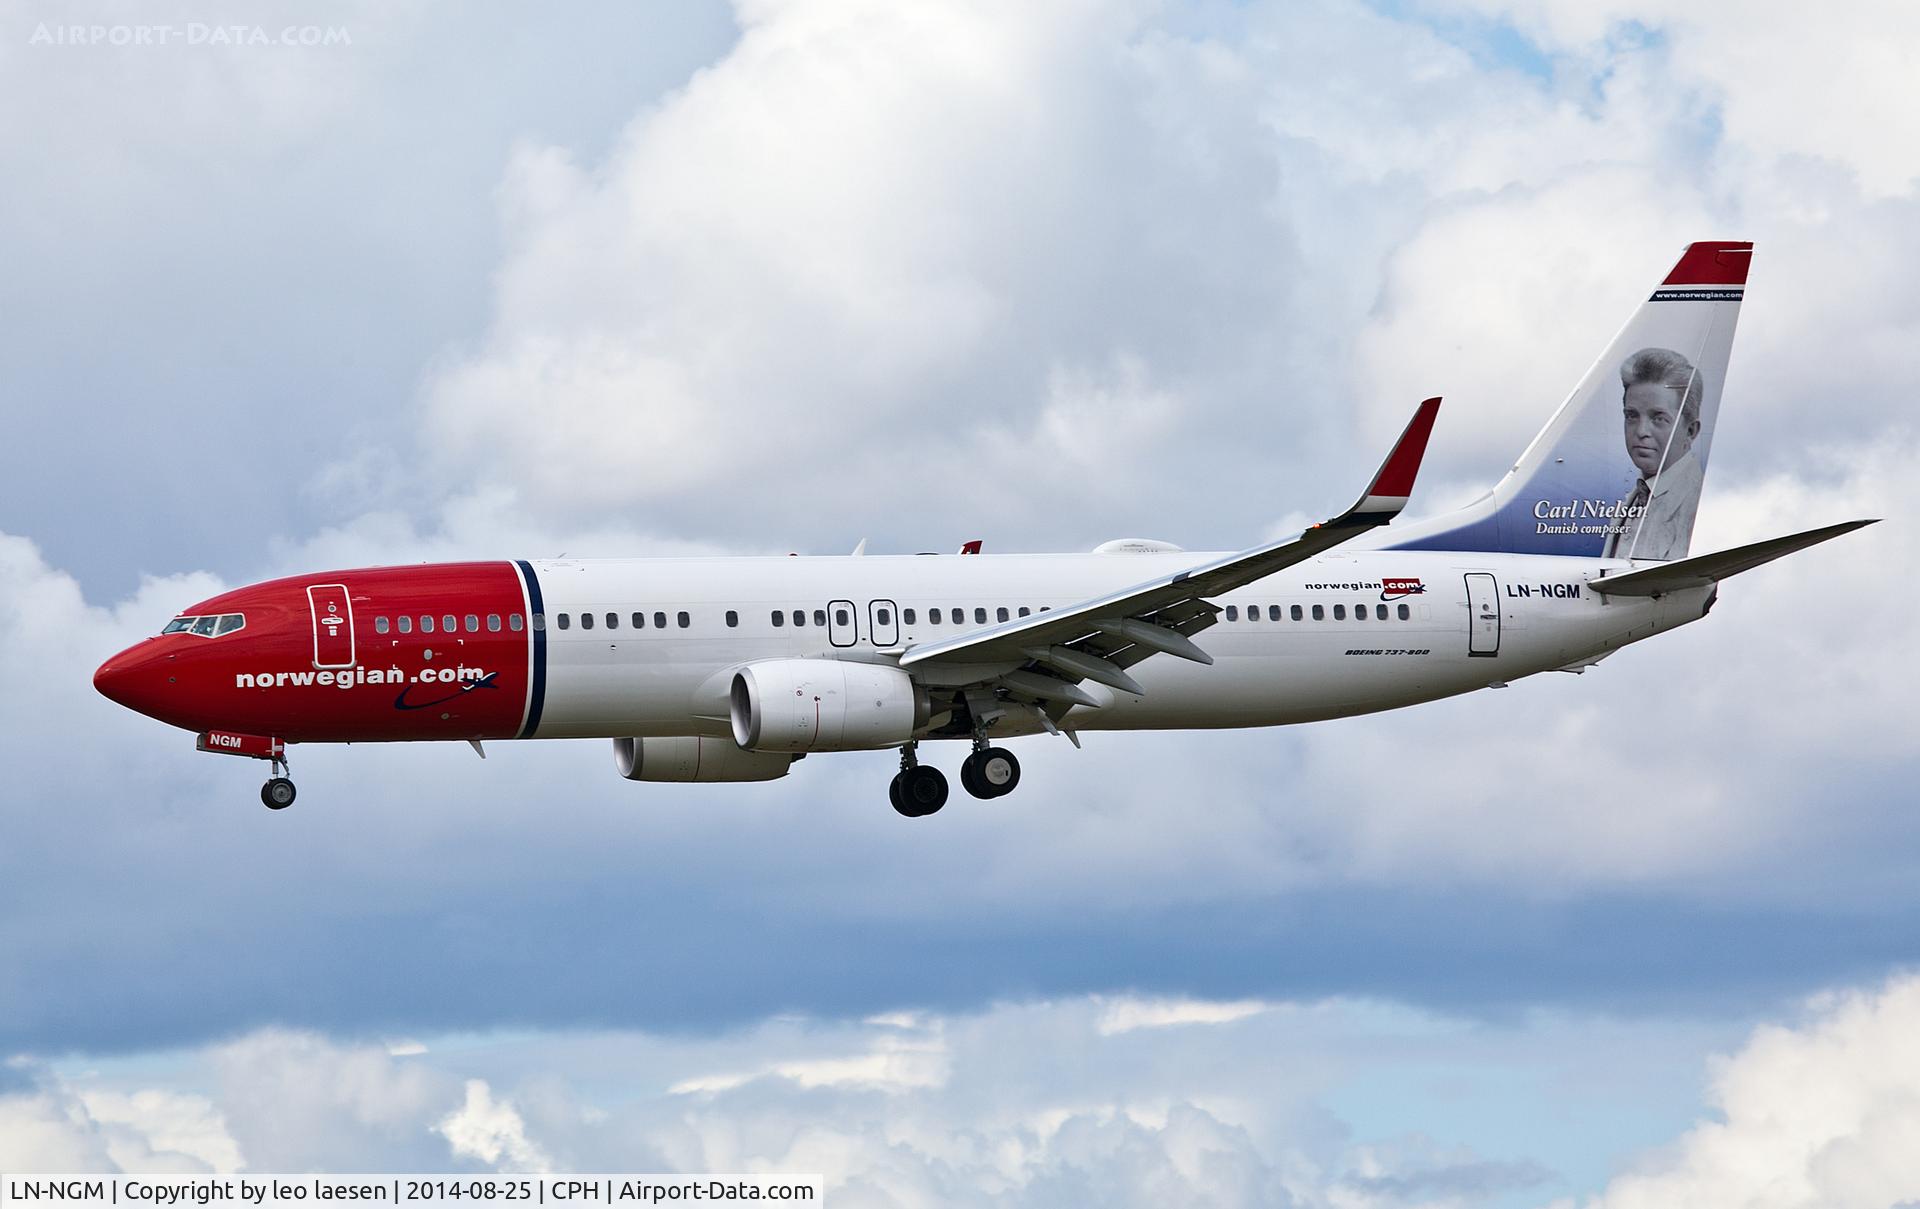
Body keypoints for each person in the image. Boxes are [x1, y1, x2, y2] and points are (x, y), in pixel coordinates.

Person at [1602, 347, 1706, 561]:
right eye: (1631, 416)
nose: (1641, 432)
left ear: (1690, 431)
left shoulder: (1693, 501)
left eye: (1658, 418)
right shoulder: (1636, 496)